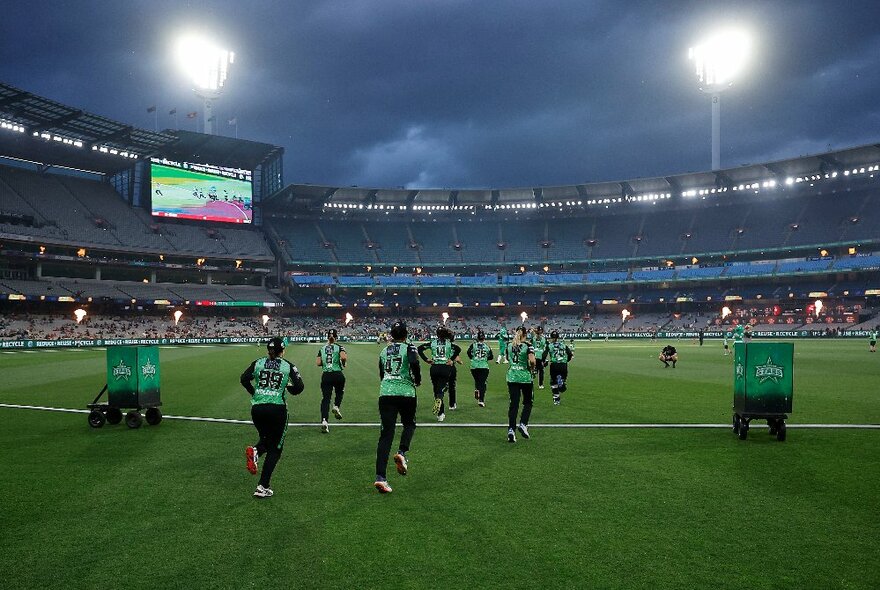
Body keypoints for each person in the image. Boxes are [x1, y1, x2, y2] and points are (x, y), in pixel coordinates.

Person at [241, 337, 305, 498]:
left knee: (267, 439)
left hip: (257, 408)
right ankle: (262, 486)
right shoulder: (287, 366)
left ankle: (256, 451)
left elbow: (244, 379)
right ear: (282, 350)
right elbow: (299, 387)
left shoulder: (258, 362)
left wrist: (255, 392)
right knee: (276, 448)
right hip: (277, 408)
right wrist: (288, 387)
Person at [375, 320, 421, 494]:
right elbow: (414, 363)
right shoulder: (409, 347)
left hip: (386, 392)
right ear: (406, 334)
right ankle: (402, 451)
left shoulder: (383, 350)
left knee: (385, 435)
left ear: (391, 335)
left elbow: (381, 373)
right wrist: (417, 379)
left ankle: (380, 477)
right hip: (406, 392)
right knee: (409, 424)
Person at [417, 326, 461, 422]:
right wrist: (451, 359)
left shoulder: (433, 343)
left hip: (435, 367)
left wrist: (426, 359)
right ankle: (441, 395)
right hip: (445, 367)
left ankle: (440, 413)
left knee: (435, 388)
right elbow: (458, 349)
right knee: (441, 388)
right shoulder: (449, 343)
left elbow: (419, 348)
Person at [506, 325, 536, 443]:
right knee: (528, 402)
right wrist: (532, 369)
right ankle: (523, 424)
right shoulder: (528, 346)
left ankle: (511, 430)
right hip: (525, 377)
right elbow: (532, 360)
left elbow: (509, 359)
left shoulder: (509, 345)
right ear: (525, 334)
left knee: (514, 404)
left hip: (512, 376)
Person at [316, 328, 346, 433]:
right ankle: (336, 406)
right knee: (340, 392)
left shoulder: (322, 348)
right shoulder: (339, 347)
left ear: (327, 337)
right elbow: (343, 357)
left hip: (326, 375)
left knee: (325, 399)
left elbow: (318, 363)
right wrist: (344, 363)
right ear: (336, 337)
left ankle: (324, 421)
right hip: (337, 373)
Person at [543, 330, 574, 405]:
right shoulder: (563, 345)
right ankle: (562, 382)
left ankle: (556, 400)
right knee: (562, 385)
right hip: (563, 365)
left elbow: (544, 355)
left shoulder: (549, 345)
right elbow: (570, 354)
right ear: (558, 337)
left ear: (551, 337)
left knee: (553, 383)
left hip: (554, 365)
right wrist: (567, 360)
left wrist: (545, 361)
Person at [467, 330, 494, 407]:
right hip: (484, 366)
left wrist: (473, 358)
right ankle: (481, 400)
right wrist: (485, 358)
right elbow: (491, 357)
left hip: (474, 366)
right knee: (483, 383)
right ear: (484, 338)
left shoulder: (473, 345)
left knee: (477, 380)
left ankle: (476, 389)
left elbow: (468, 352)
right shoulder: (487, 346)